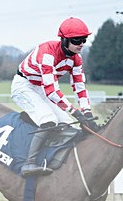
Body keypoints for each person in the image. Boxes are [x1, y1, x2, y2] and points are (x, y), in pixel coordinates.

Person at [12, 17, 97, 176]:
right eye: (77, 40)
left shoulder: (76, 59)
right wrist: (75, 111)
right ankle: (28, 164)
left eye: (84, 40)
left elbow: (79, 87)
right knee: (48, 120)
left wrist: (87, 112)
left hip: (41, 88)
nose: (81, 44)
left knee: (67, 124)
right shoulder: (47, 53)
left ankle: (53, 160)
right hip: (24, 85)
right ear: (64, 40)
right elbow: (51, 90)